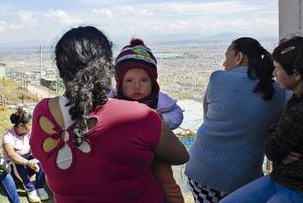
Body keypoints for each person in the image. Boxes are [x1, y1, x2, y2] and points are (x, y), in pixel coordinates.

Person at [30, 26, 189, 203]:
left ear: (60, 72)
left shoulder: (42, 114)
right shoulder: (139, 116)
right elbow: (181, 156)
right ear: (108, 69)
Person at [220, 36, 303, 203]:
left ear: (296, 75)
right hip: (284, 179)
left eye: (277, 68)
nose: (274, 73)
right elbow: (274, 138)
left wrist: (277, 146)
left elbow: (272, 149)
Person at [184, 37, 287, 202]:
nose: (224, 64)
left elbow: (207, 117)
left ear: (239, 57)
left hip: (204, 173)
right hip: (246, 179)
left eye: (227, 57)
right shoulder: (279, 92)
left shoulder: (217, 79)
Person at [112, 38, 184, 203]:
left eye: (144, 80)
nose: (137, 86)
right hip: (123, 154)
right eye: (129, 80)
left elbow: (177, 113)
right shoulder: (114, 99)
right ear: (119, 82)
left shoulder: (158, 100)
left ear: (153, 82)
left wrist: (160, 121)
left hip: (156, 152)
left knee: (167, 184)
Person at [2, 108, 49, 203]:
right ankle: (30, 189)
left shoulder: (29, 132)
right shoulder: (8, 137)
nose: (32, 126)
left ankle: (40, 186)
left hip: (28, 165)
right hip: (14, 169)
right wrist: (28, 163)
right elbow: (11, 155)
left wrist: (36, 159)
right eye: (30, 124)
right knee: (17, 162)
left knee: (40, 158)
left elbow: (38, 146)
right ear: (21, 125)